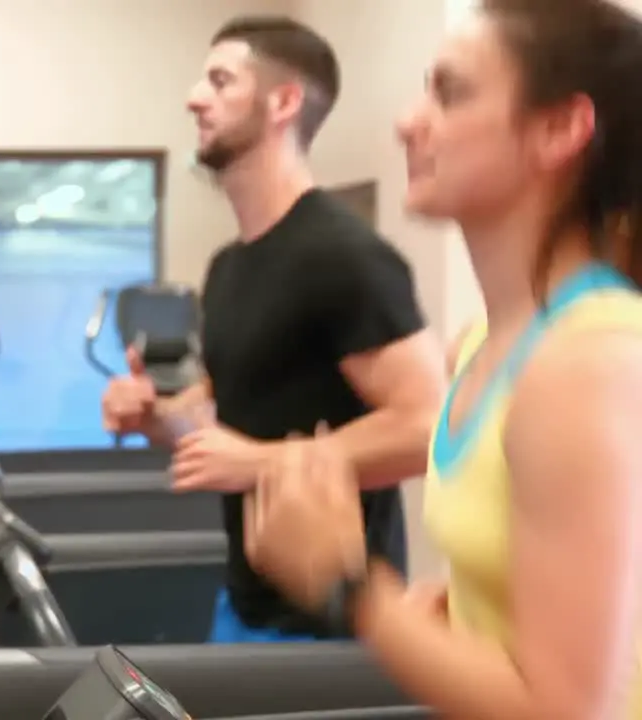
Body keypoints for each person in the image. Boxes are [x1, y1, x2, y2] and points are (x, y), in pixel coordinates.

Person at [246, 0, 642, 716]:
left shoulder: (586, 362)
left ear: (558, 130)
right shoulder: (480, 346)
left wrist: (351, 586)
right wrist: (445, 620)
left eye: (449, 92)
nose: (407, 121)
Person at [100, 16, 447, 644]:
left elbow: (430, 427)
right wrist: (154, 415)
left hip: (332, 620)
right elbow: (225, 405)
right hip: (246, 601)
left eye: (220, 81)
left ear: (283, 102)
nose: (193, 97)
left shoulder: (344, 256)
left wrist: (261, 463)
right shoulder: (230, 265)